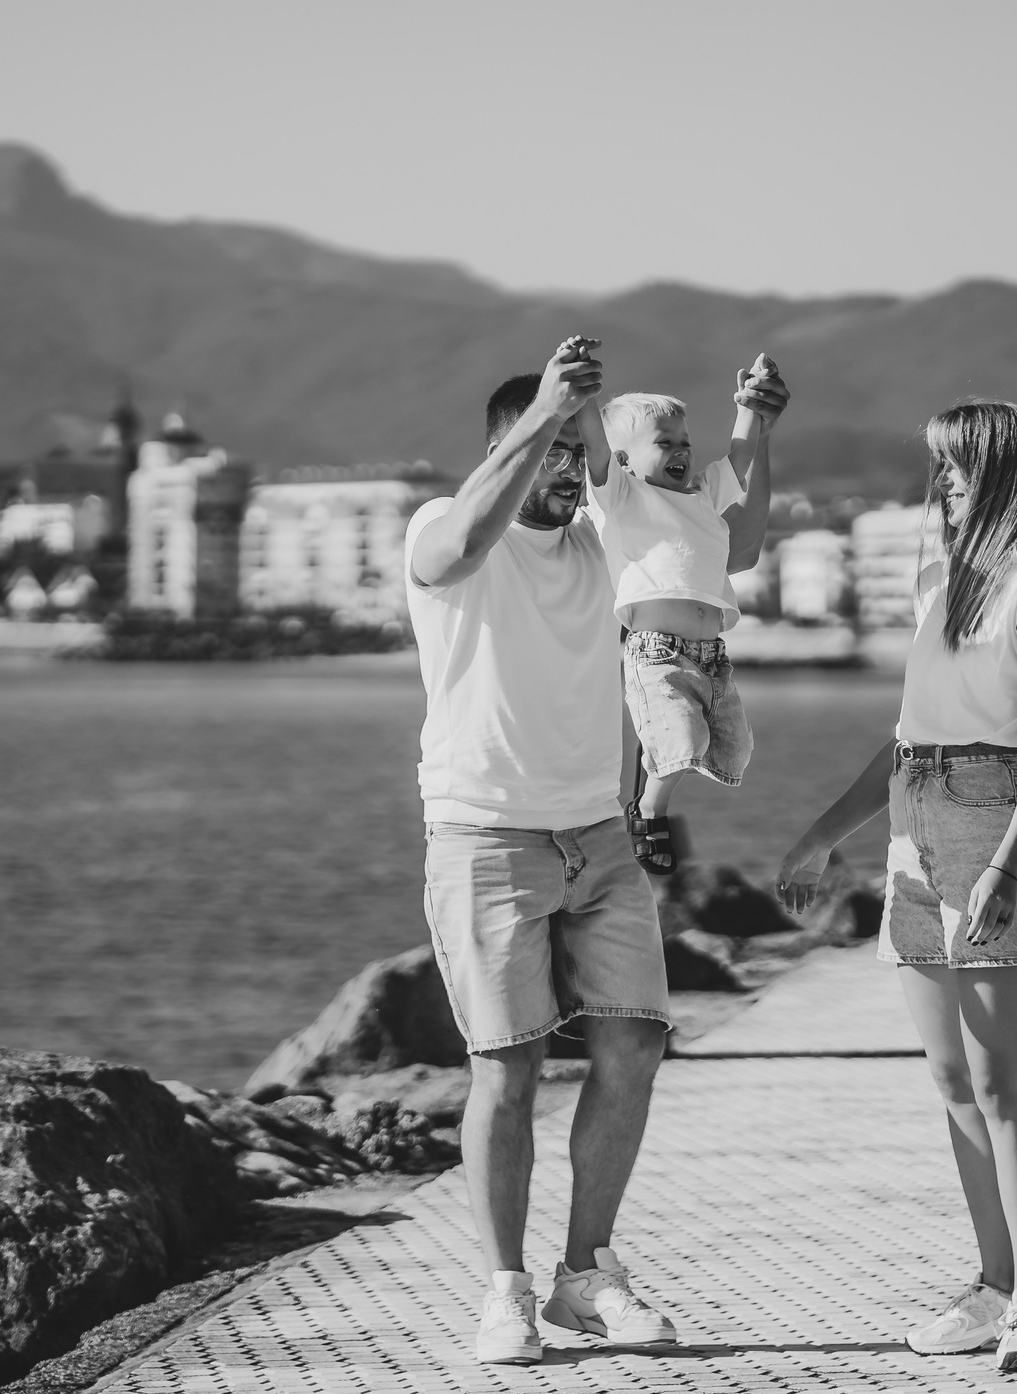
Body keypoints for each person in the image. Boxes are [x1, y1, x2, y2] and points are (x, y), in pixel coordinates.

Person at [776, 400, 1017, 1375]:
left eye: (959, 467)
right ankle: (993, 1283)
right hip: (917, 827)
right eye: (939, 468)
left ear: (1006, 470)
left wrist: (1003, 862)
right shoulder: (939, 582)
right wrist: (820, 837)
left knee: (1004, 1082)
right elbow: (906, 737)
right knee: (951, 1079)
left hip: (999, 824)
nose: (943, 483)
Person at [404, 338, 679, 1365]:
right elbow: (449, 554)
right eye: (556, 449)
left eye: (581, 450)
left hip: (598, 837)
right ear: (509, 446)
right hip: (483, 833)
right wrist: (542, 418)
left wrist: (757, 434)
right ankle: (505, 1291)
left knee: (633, 1046)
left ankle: (586, 1274)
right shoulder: (446, 526)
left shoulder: (599, 545)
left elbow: (710, 555)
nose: (572, 467)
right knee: (507, 1070)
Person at [574, 353, 791, 871]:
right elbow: (596, 447)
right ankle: (650, 810)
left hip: (712, 655)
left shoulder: (701, 496)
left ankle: (653, 774)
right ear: (624, 461)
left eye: (685, 443)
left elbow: (740, 457)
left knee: (735, 750)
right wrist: (581, 394)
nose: (681, 452)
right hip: (656, 651)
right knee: (683, 741)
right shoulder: (624, 496)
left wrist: (751, 406)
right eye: (664, 443)